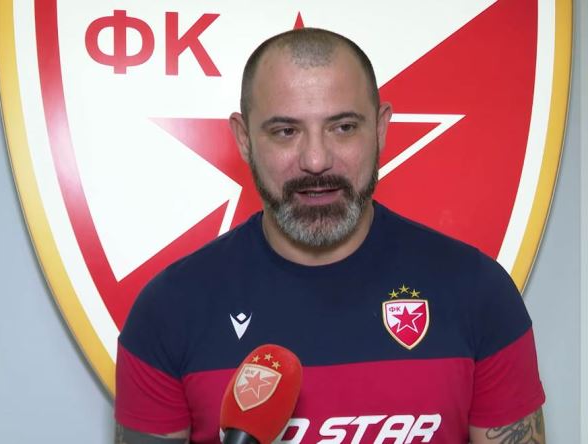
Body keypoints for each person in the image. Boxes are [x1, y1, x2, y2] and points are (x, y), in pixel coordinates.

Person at [114, 28, 545, 443]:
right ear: (244, 140)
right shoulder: (169, 310)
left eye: (343, 127)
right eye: (286, 131)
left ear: (381, 128)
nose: (316, 160)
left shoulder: (478, 292)